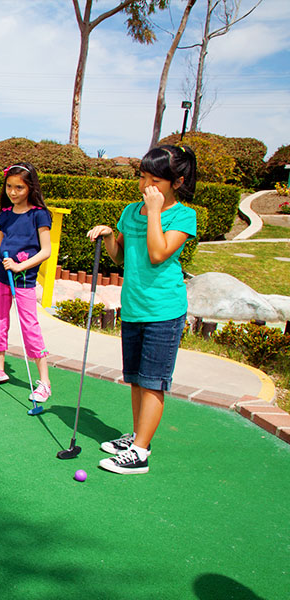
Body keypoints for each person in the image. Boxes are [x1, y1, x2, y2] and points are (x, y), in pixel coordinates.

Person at [87, 144, 197, 475]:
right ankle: (137, 437)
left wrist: (154, 211)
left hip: (164, 309)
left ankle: (140, 452)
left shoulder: (183, 216)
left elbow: (158, 253)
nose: (146, 186)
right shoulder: (130, 211)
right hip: (134, 306)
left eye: (155, 181)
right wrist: (110, 236)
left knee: (153, 382)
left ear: (177, 182)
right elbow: (120, 256)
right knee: (135, 379)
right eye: (143, 177)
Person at [0, 162, 52, 405]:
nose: (13, 192)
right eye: (9, 186)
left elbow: (46, 251)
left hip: (24, 280)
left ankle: (44, 382)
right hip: (0, 278)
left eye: (19, 187)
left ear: (30, 187)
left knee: (29, 326)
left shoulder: (39, 214)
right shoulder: (5, 214)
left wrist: (21, 266)